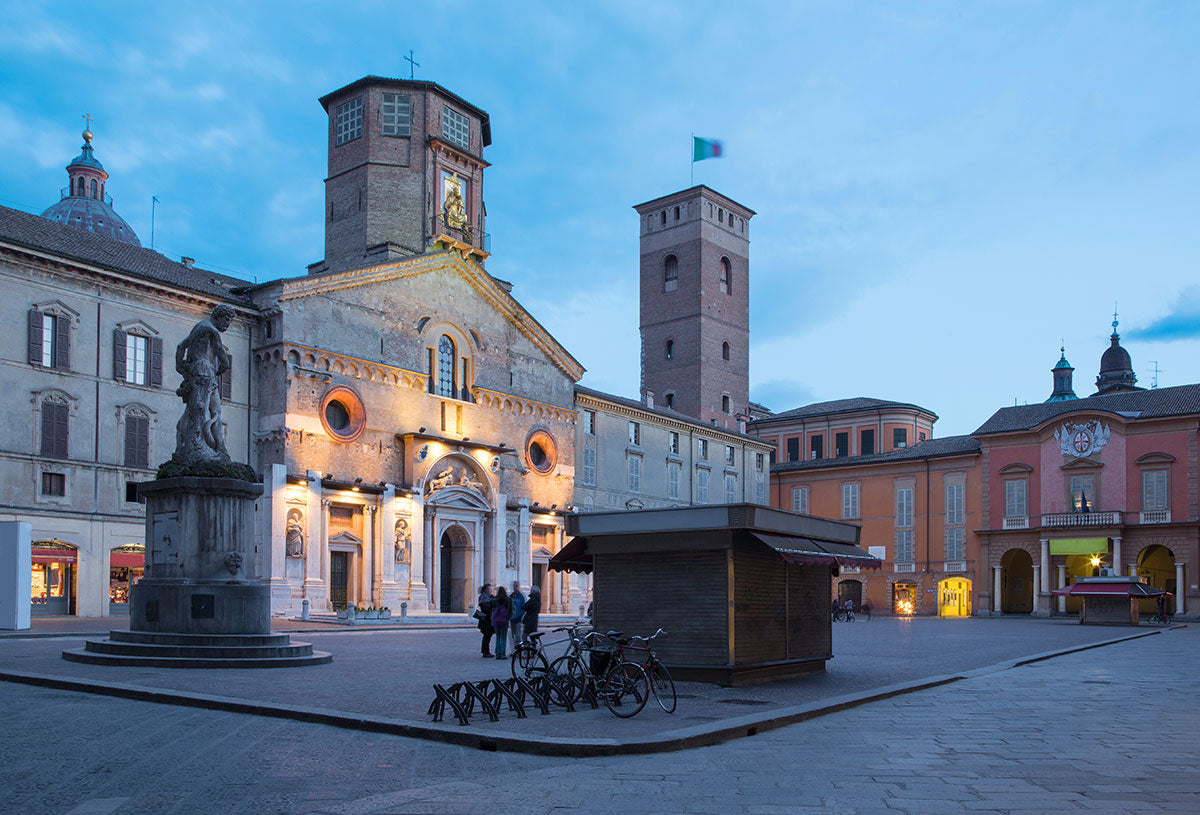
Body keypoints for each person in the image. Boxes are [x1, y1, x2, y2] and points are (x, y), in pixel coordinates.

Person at [492, 585, 512, 660]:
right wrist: (508, 618)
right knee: (503, 637)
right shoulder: (508, 599)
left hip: (496, 621)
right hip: (504, 620)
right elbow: (510, 610)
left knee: (498, 637)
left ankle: (498, 654)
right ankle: (503, 654)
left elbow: (492, 609)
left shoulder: (495, 599)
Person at [475, 584, 495, 658]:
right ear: (486, 589)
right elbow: (486, 608)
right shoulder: (484, 597)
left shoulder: (489, 597)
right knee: (487, 635)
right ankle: (486, 652)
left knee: (487, 636)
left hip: (488, 618)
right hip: (486, 619)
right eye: (490, 588)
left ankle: (486, 651)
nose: (491, 590)